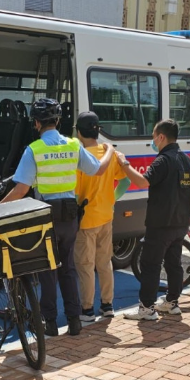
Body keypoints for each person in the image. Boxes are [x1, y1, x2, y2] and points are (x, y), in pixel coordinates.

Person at [0, 98, 115, 337]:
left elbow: (21, 190)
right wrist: (110, 150)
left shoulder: (35, 149)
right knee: (68, 267)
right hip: (71, 216)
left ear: (37, 123)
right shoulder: (73, 145)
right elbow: (98, 169)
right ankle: (74, 321)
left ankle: (50, 323)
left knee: (47, 269)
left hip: (46, 215)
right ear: (59, 121)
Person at [116, 118, 190, 320]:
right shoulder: (186, 160)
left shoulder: (163, 160)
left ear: (161, 137)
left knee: (150, 264)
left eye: (153, 136)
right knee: (173, 264)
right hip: (180, 222)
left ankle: (146, 308)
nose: (153, 141)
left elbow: (143, 181)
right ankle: (171, 303)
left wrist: (124, 164)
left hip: (160, 223)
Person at [74, 111, 131, 321]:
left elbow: (75, 193)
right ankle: (107, 305)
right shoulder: (111, 153)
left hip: (86, 219)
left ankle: (87, 310)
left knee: (85, 265)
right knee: (105, 262)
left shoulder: (80, 157)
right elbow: (125, 182)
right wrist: (112, 200)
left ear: (79, 132)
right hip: (107, 216)